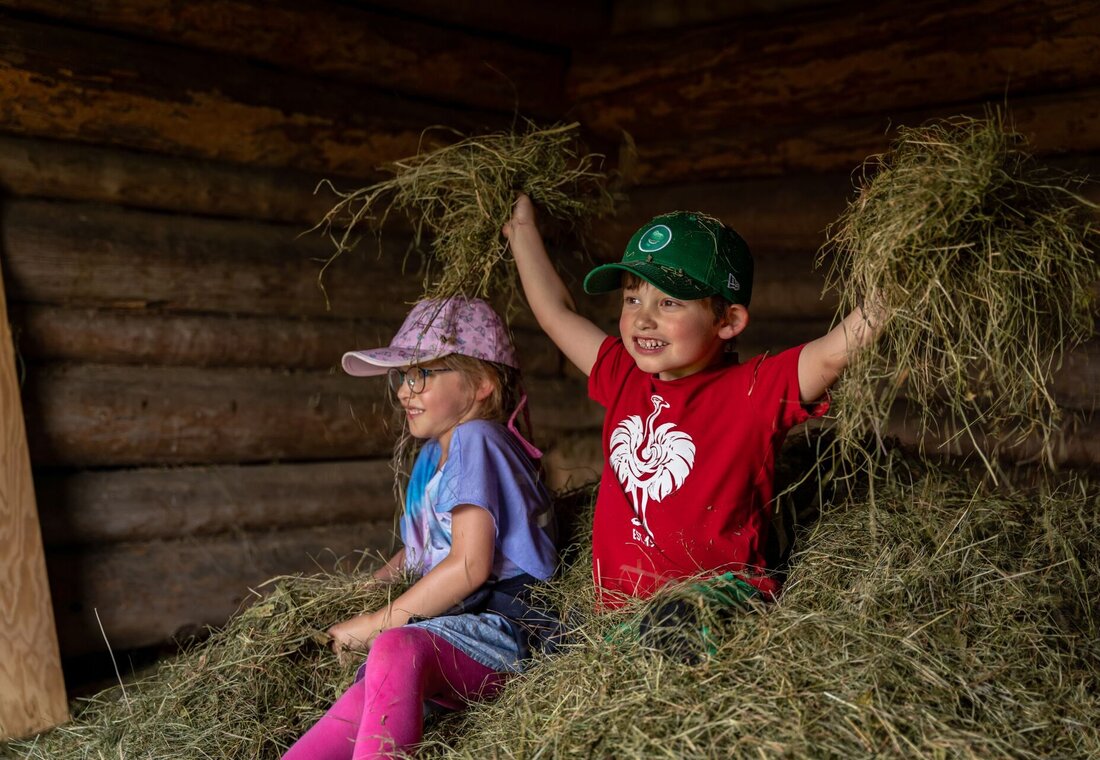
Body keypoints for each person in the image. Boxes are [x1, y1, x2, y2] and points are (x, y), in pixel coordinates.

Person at [503, 194, 882, 615]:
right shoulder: (623, 372)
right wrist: (522, 233)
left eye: (669, 302)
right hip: (616, 618)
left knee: (671, 627)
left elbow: (831, 353)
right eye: (632, 299)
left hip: (714, 604)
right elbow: (556, 314)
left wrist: (891, 293)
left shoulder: (752, 390)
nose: (643, 319)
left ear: (728, 321)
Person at [283, 296, 557, 760]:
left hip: (507, 629)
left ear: (483, 385)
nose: (404, 391)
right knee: (361, 699)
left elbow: (469, 566)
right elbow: (421, 553)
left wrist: (371, 625)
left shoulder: (478, 440)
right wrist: (360, 593)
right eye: (403, 376)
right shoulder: (433, 455)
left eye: (423, 375)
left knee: (391, 650)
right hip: (450, 625)